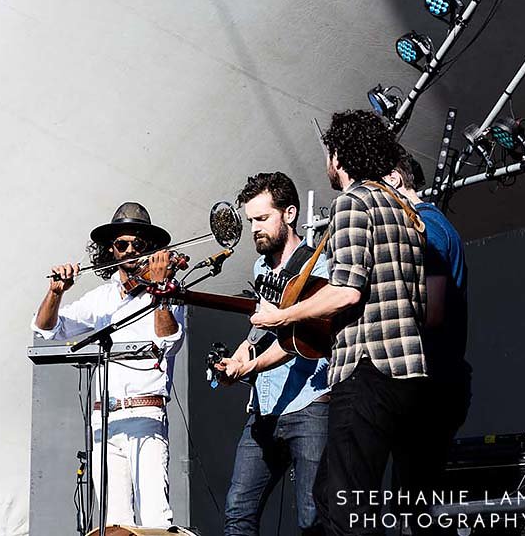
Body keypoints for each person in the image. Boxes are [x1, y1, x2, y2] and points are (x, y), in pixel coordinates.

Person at [250, 110, 429, 536]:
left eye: (329, 153)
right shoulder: (404, 208)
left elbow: (347, 291)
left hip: (368, 369)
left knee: (344, 504)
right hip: (412, 372)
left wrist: (283, 315)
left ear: (340, 156)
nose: (326, 162)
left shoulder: (353, 203)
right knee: (370, 501)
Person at [33, 202, 185, 527]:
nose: (129, 250)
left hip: (146, 415)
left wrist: (159, 291)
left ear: (150, 248)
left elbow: (169, 343)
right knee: (115, 524)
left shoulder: (166, 292)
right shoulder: (101, 299)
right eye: (122, 245)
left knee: (157, 518)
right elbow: (46, 330)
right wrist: (55, 292)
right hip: (104, 420)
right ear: (111, 251)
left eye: (138, 245)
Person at [215, 172, 329, 536]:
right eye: (251, 221)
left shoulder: (319, 267)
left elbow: (294, 342)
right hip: (264, 406)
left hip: (309, 404)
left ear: (290, 214)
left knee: (313, 517)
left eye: (262, 219)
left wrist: (249, 366)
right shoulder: (260, 267)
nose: (254, 229)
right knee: (238, 513)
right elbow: (260, 331)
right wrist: (236, 360)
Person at [384, 152, 471, 512]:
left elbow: (431, 312)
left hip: (430, 386)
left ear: (394, 179)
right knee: (413, 505)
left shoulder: (426, 227)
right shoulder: (435, 224)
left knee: (414, 507)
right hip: (436, 384)